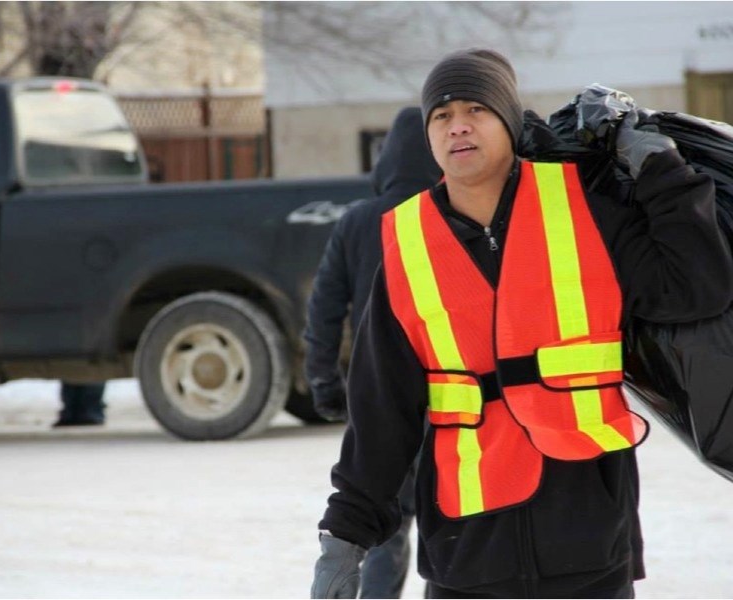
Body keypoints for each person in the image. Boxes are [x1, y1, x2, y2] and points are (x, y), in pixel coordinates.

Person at [311, 48, 733, 599]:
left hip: (589, 545)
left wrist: (659, 169)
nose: (457, 125)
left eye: (475, 109)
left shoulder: (583, 211)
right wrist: (343, 538)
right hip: (465, 558)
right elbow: (379, 412)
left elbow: (694, 284)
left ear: (509, 121)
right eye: (440, 115)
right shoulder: (408, 246)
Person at [304, 106, 442, 598]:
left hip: (377, 392)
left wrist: (324, 380)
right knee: (450, 517)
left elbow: (323, 309)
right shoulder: (448, 213)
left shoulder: (358, 221)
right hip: (451, 391)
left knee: (381, 513)